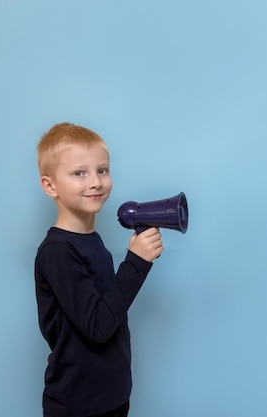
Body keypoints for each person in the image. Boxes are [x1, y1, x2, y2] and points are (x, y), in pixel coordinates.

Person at [34, 122, 163, 417]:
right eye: (79, 173)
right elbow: (98, 326)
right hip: (79, 405)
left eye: (102, 170)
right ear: (50, 185)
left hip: (111, 397)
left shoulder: (92, 241)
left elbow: (109, 308)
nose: (95, 182)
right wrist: (137, 263)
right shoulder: (58, 252)